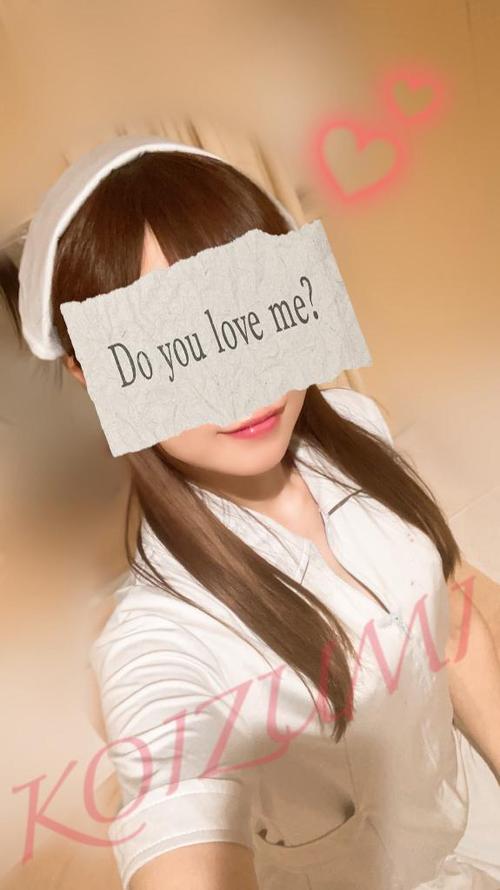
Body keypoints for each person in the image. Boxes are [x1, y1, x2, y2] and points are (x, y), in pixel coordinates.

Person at [4, 135, 500, 890]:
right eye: (170, 345)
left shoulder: (355, 425)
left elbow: (448, 603)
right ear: (92, 371)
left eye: (245, 312)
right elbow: (174, 811)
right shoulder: (160, 639)